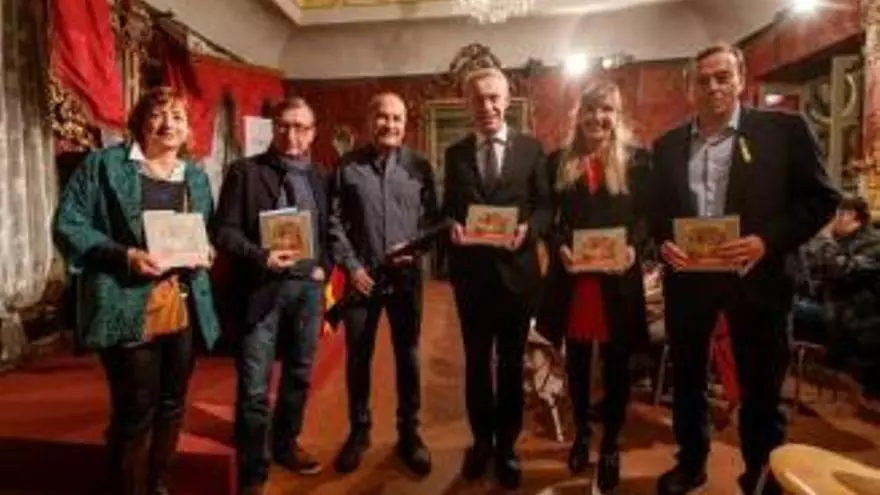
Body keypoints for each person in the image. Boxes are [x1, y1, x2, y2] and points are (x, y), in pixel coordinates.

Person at [649, 43, 840, 495]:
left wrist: (766, 242)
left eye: (722, 77)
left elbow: (822, 200)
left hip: (759, 278)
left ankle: (761, 475)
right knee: (688, 380)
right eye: (703, 80)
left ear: (741, 79)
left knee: (761, 388)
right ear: (689, 88)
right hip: (688, 282)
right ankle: (690, 463)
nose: (713, 87)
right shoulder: (667, 144)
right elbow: (656, 211)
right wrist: (662, 243)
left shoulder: (785, 130)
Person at [52, 86, 221, 495]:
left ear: (188, 128)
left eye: (177, 117)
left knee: (172, 403)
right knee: (135, 410)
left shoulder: (195, 177)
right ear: (140, 122)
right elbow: (68, 224)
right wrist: (125, 255)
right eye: (158, 114)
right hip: (124, 300)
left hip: (182, 302)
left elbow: (202, 231)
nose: (168, 124)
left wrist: (206, 250)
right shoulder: (104, 165)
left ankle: (158, 483)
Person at [213, 97, 331, 495]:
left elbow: (332, 229)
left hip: (308, 290)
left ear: (312, 133)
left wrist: (324, 267)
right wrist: (261, 256)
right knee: (254, 385)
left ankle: (285, 444)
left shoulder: (321, 176)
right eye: (284, 125)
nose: (292, 134)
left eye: (301, 127)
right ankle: (253, 467)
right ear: (273, 128)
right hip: (261, 288)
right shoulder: (244, 172)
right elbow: (224, 232)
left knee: (299, 373)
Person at [540, 80, 651, 494]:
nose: (597, 117)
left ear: (617, 115)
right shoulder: (558, 161)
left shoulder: (638, 161)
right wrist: (560, 248)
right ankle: (582, 434)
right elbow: (549, 220)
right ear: (579, 114)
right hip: (574, 281)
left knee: (617, 366)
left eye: (606, 109)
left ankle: (610, 445)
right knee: (577, 363)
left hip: (618, 281)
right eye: (589, 109)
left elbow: (646, 218)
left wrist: (634, 250)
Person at [444, 67, 551, 490]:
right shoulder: (455, 154)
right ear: (467, 104)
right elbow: (448, 208)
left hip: (517, 277)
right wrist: (452, 226)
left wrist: (530, 229)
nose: (486, 106)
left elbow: (545, 207)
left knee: (510, 365)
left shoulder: (532, 150)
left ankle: (507, 446)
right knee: (475, 364)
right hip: (472, 278)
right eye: (477, 99)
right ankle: (481, 442)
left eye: (493, 98)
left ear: (507, 101)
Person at [329, 92, 438, 476]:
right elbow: (334, 222)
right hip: (362, 281)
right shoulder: (346, 167)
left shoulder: (420, 168)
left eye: (397, 118)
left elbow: (432, 221)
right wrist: (352, 266)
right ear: (369, 120)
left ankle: (409, 432)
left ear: (405, 124)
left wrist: (418, 250)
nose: (389, 124)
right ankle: (359, 432)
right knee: (358, 357)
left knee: (408, 355)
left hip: (406, 280)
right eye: (382, 117)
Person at [801, 195, 880, 399]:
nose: (831, 221)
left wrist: (823, 237)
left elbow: (840, 268)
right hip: (832, 307)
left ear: (849, 215)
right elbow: (812, 271)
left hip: (855, 317)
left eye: (834, 215)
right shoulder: (842, 240)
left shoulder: (874, 243)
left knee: (782, 312)